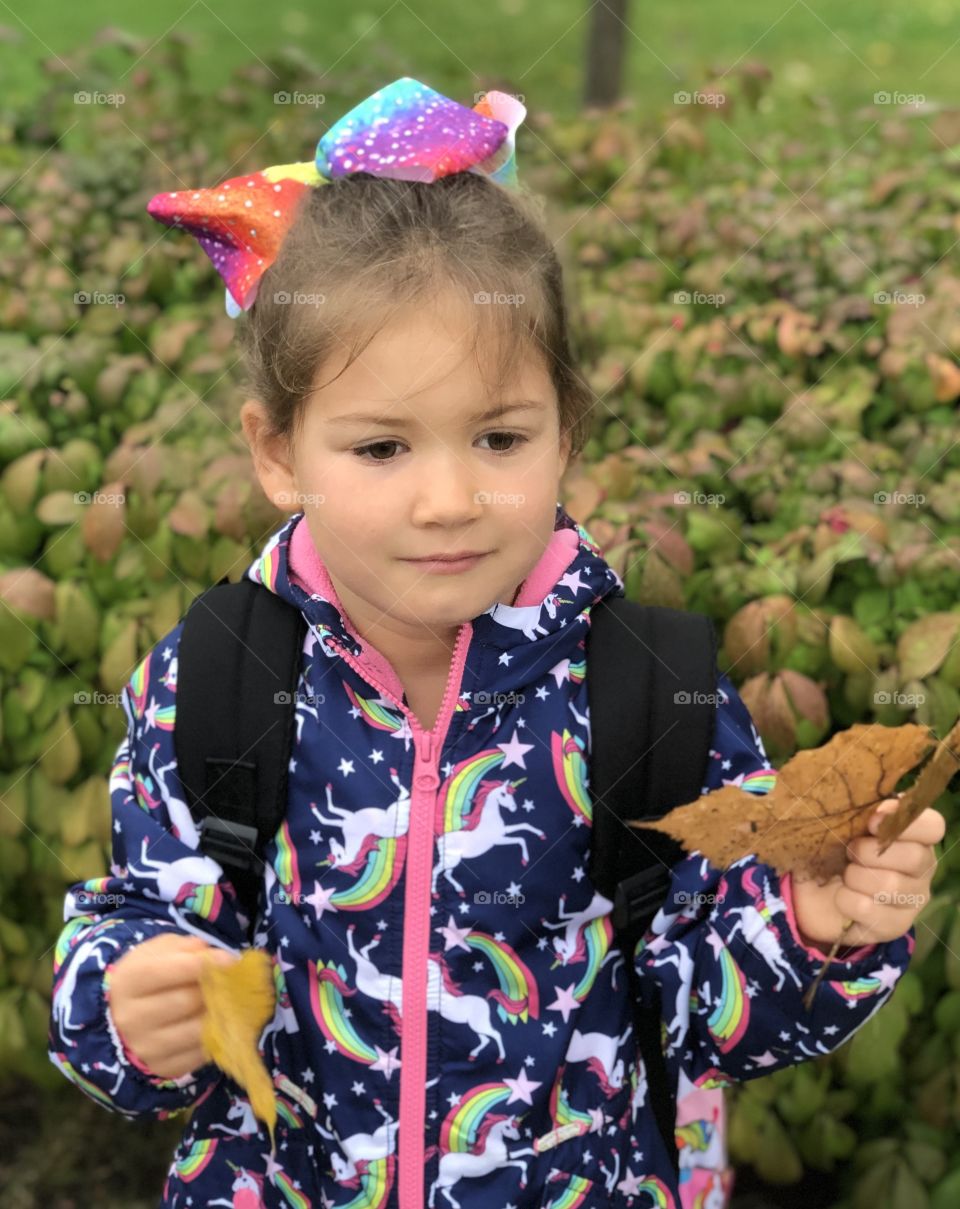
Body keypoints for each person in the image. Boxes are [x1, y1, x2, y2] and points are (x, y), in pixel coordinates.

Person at [48, 78, 944, 1209]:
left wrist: (817, 928)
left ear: (567, 428)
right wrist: (126, 1005)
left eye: (500, 437)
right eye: (382, 448)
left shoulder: (649, 689)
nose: (449, 500)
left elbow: (707, 1015)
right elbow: (141, 927)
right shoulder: (218, 677)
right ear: (278, 453)